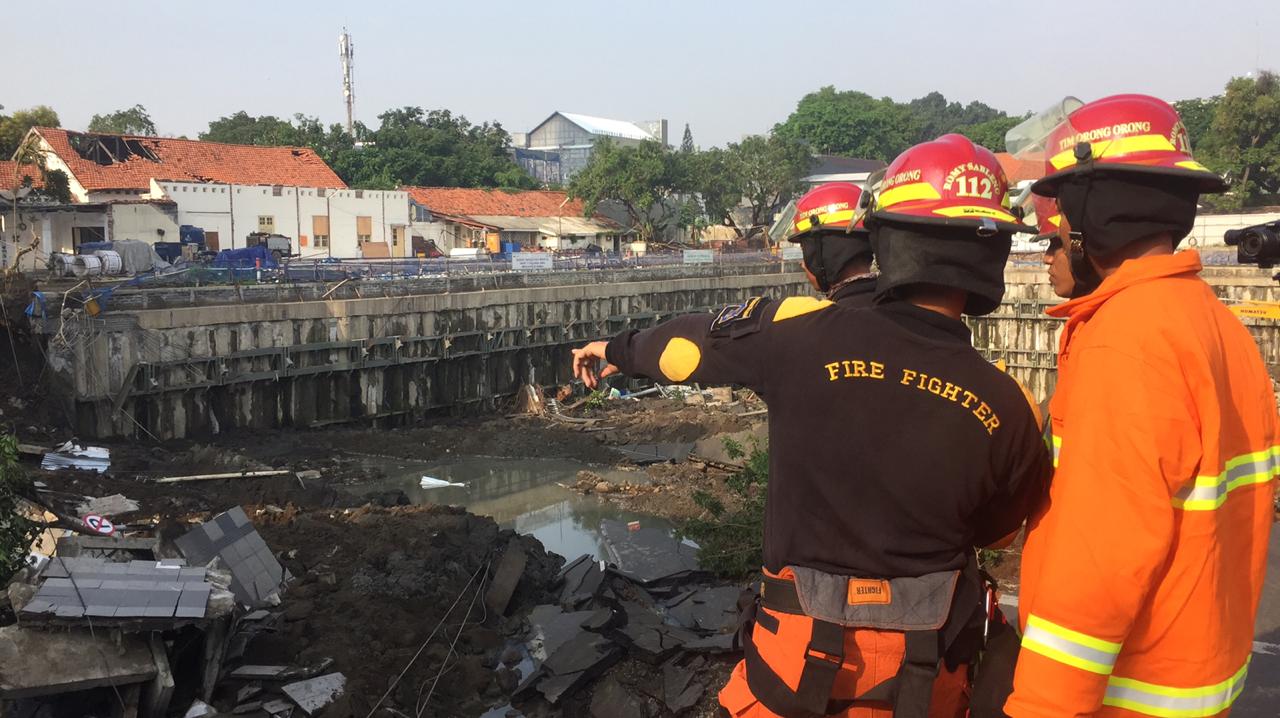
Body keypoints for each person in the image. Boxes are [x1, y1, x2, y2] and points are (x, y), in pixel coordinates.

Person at [572, 134, 1050, 718]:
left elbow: (690, 345)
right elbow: (998, 535)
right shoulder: (1009, 401)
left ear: (885, 239)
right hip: (926, 683)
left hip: (789, 672)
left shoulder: (796, 337)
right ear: (994, 251)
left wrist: (616, 348)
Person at [1005, 94, 1279, 718]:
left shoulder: (1129, 337)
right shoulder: (1217, 325)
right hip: (1199, 673)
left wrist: (1042, 706)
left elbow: (1100, 556)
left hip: (1128, 693)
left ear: (1094, 211)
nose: (1060, 230)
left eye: (1065, 211)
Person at [784, 182, 878, 307]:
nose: (802, 263)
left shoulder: (815, 322)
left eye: (804, 249)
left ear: (827, 249)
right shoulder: (899, 307)